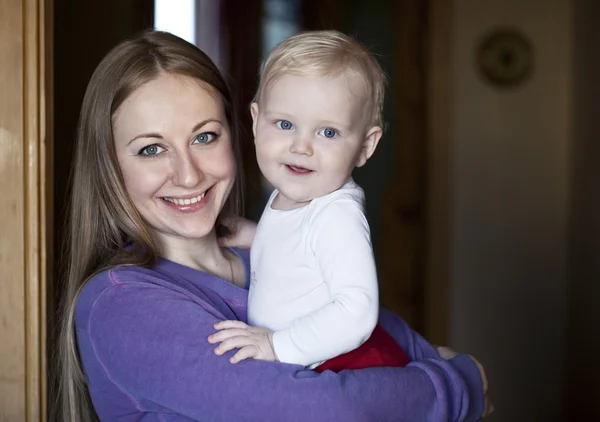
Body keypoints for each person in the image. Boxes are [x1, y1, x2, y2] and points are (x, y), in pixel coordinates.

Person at [56, 30, 490, 422]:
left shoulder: (268, 252)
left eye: (205, 137)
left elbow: (378, 325)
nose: (187, 175)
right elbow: (329, 410)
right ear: (109, 165)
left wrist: (430, 356)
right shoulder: (123, 304)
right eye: (151, 149)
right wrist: (458, 383)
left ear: (237, 130)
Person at [212, 30, 411, 372]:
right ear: (257, 122)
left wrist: (277, 345)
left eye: (328, 132)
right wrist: (251, 234)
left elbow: (356, 310)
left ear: (366, 145)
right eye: (285, 124)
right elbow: (301, 252)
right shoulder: (293, 193)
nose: (301, 147)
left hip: (343, 365)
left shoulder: (337, 216)